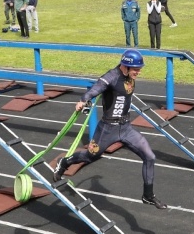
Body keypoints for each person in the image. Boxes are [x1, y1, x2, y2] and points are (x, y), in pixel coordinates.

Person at [52, 49, 168, 210]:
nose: (138, 72)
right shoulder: (111, 77)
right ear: (125, 66)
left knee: (150, 156)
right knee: (91, 156)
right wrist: (84, 100)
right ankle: (65, 162)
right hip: (108, 129)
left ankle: (148, 196)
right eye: (136, 69)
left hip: (126, 128)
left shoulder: (129, 75)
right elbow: (96, 88)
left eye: (139, 69)